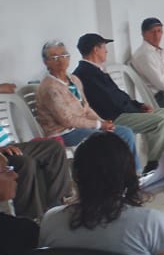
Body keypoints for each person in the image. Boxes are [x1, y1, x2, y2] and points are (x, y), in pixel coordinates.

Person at [74, 33, 164, 163]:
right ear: (96, 49)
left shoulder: (95, 69)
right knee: (160, 121)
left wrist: (138, 105)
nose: (106, 51)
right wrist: (136, 109)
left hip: (122, 111)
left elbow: (118, 95)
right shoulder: (86, 73)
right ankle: (155, 164)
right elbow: (110, 102)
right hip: (113, 117)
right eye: (104, 47)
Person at [34, 41, 140, 170]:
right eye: (55, 57)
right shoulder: (50, 87)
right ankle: (112, 177)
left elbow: (86, 108)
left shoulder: (74, 80)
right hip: (64, 133)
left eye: (64, 55)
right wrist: (99, 125)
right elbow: (67, 120)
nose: (61, 60)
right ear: (46, 62)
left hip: (84, 127)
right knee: (102, 139)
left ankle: (135, 173)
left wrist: (103, 122)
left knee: (125, 132)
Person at [0, 82, 72, 220]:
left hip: (7, 147)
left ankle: (58, 208)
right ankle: (31, 219)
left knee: (54, 147)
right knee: (24, 163)